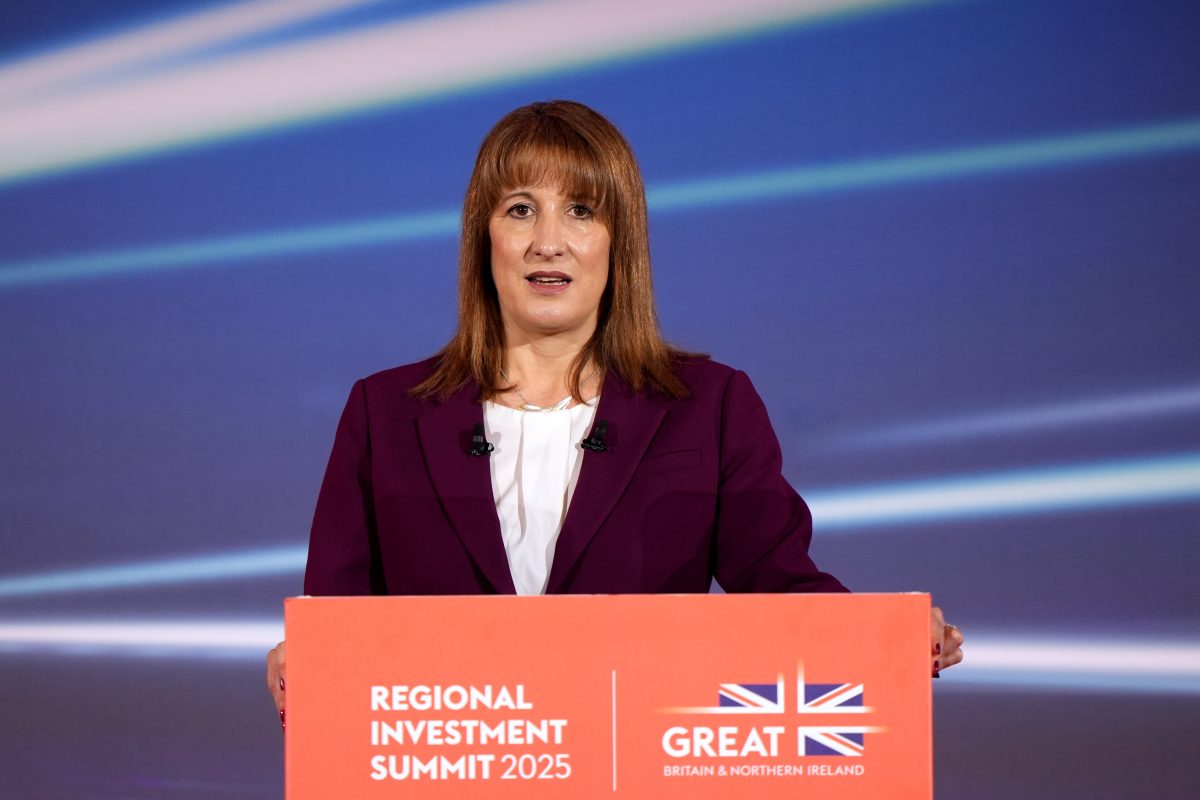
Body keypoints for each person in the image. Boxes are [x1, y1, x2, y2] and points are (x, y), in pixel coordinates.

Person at [265, 100, 963, 724]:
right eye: (520, 209)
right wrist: (308, 657)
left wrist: (885, 633)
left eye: (581, 210)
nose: (548, 240)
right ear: (484, 238)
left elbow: (781, 582)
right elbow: (336, 618)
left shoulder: (708, 406)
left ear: (617, 240)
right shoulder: (385, 413)